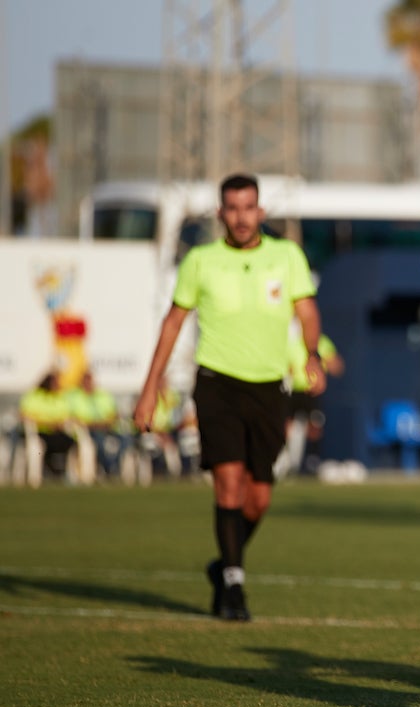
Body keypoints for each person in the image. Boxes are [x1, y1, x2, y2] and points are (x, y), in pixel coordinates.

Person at [133, 173, 325, 622]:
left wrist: (312, 355)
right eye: (232, 208)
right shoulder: (201, 260)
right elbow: (173, 323)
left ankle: (222, 563)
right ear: (221, 213)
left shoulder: (286, 256)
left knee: (258, 497)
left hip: (268, 387)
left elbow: (308, 311)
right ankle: (234, 585)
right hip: (217, 383)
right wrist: (150, 386)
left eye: (249, 207)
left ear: (260, 211)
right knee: (229, 482)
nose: (241, 217)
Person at [283, 325, 344, 476]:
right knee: (288, 425)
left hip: (313, 391)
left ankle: (312, 461)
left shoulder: (322, 342)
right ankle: (285, 461)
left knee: (314, 426)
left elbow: (336, 365)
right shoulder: (292, 342)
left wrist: (326, 364)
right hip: (294, 390)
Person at [68, 370, 129, 480]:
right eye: (85, 380)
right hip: (88, 430)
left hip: (108, 427)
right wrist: (94, 424)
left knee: (126, 440)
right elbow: (73, 418)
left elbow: (115, 413)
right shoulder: (74, 397)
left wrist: (109, 422)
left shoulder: (103, 395)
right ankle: (108, 469)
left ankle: (113, 466)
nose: (88, 383)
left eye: (90, 380)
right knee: (99, 443)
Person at [18, 371, 75, 481]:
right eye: (56, 382)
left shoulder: (60, 397)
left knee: (69, 441)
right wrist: (46, 424)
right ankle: (45, 472)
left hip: (56, 432)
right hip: (38, 432)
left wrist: (59, 424)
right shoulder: (34, 396)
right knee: (41, 446)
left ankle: (61, 472)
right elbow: (24, 416)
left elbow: (67, 416)